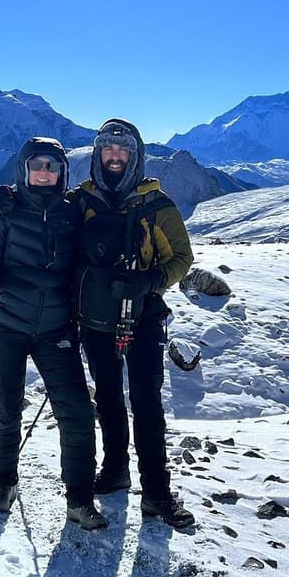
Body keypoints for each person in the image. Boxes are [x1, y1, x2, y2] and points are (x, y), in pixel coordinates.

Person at [0, 137, 107, 531]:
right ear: (24, 170)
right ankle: (3, 484)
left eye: (52, 166)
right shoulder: (4, 212)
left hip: (55, 328)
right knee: (4, 410)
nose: (44, 172)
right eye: (37, 165)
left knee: (76, 412)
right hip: (3, 324)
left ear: (62, 173)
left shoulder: (72, 214)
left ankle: (80, 499)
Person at [71, 118, 196, 528]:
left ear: (135, 156)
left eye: (123, 151)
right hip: (95, 318)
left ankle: (156, 492)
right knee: (107, 397)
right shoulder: (80, 201)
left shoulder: (156, 205)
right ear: (97, 154)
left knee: (146, 402)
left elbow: (182, 257)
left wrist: (151, 281)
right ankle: (115, 471)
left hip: (142, 316)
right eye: (108, 149)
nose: (115, 157)